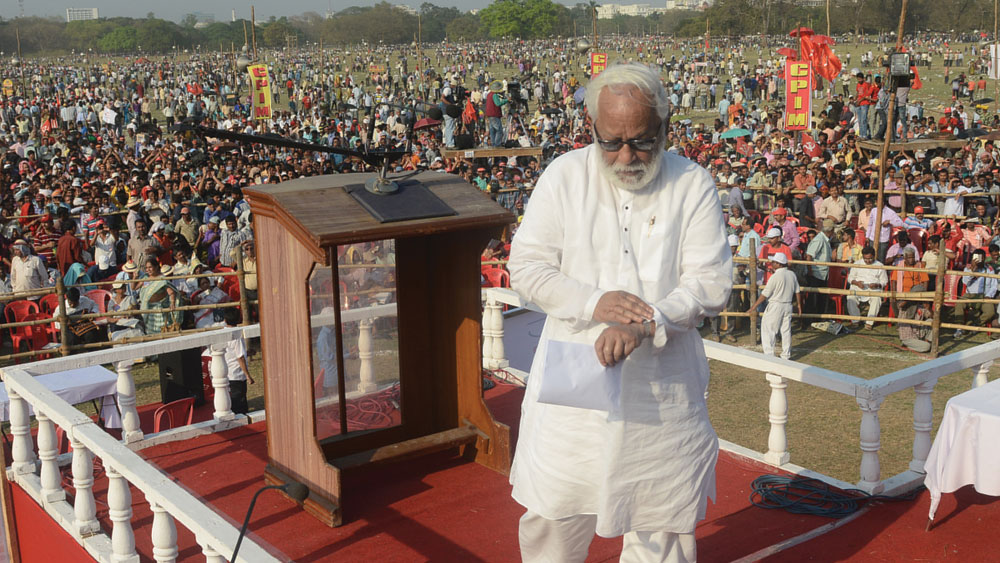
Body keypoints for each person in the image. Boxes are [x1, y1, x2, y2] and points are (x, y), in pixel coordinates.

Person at [507, 62, 732, 563]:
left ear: (666, 128)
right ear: (592, 129)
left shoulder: (691, 183)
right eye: (611, 142)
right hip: (574, 384)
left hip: (662, 389)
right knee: (554, 513)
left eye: (642, 141)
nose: (626, 156)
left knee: (661, 522)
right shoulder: (564, 176)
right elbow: (526, 267)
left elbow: (711, 282)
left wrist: (649, 319)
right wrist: (595, 302)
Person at [749, 253, 802, 360]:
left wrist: (753, 307)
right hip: (788, 305)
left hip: (776, 305)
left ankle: (769, 356)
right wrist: (799, 305)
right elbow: (797, 291)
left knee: (768, 330)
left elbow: (765, 294)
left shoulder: (775, 277)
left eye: (774, 262)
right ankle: (786, 355)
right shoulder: (792, 274)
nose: (772, 263)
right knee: (786, 331)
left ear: (778, 264)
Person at [846, 246, 888, 329]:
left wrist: (877, 285)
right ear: (863, 256)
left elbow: (884, 281)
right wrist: (856, 283)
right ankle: (855, 320)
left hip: (873, 289)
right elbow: (850, 278)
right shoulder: (857, 264)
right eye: (865, 259)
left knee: (877, 299)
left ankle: (869, 323)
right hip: (858, 288)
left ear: (874, 256)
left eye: (870, 258)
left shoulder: (880, 265)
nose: (868, 261)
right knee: (850, 297)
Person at [222, 308, 254, 415]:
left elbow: (231, 352)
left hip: (226, 372)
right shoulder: (236, 335)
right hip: (237, 374)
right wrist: (248, 375)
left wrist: (247, 352)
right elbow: (240, 357)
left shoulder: (222, 333)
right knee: (239, 402)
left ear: (225, 320)